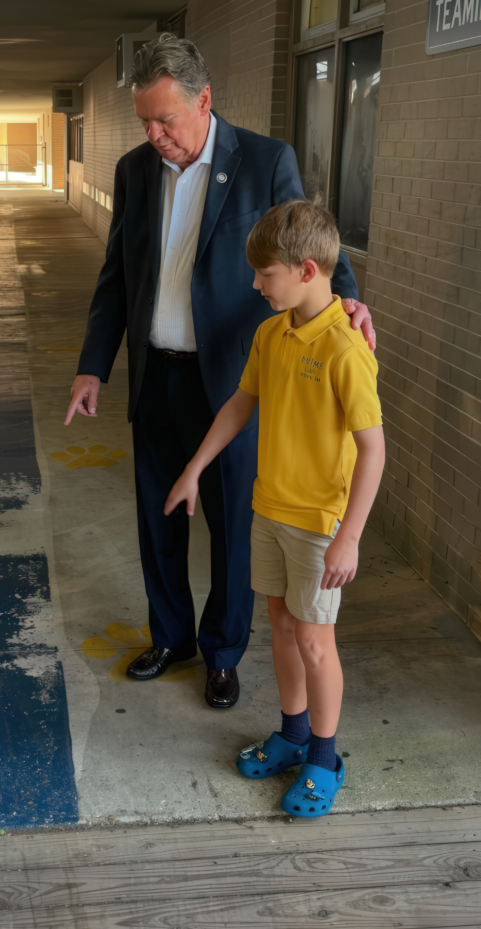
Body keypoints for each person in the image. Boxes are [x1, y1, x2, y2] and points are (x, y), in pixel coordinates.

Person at [66, 34, 375, 708]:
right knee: (159, 517)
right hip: (155, 376)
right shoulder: (133, 171)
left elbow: (307, 239)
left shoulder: (264, 161)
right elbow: (116, 276)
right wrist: (94, 367)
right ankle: (170, 637)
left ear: (203, 101)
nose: (154, 135)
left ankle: (222, 651)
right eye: (144, 121)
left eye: (165, 120)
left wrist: (347, 297)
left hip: (233, 380)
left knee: (235, 524)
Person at [165, 198, 384, 815]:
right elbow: (241, 403)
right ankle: (291, 734)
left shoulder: (346, 349)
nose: (257, 286)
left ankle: (324, 755)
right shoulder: (270, 333)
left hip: (321, 523)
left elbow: (373, 451)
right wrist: (194, 468)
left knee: (317, 641)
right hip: (271, 510)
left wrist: (351, 536)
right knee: (283, 628)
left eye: (266, 276)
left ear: (308, 271)